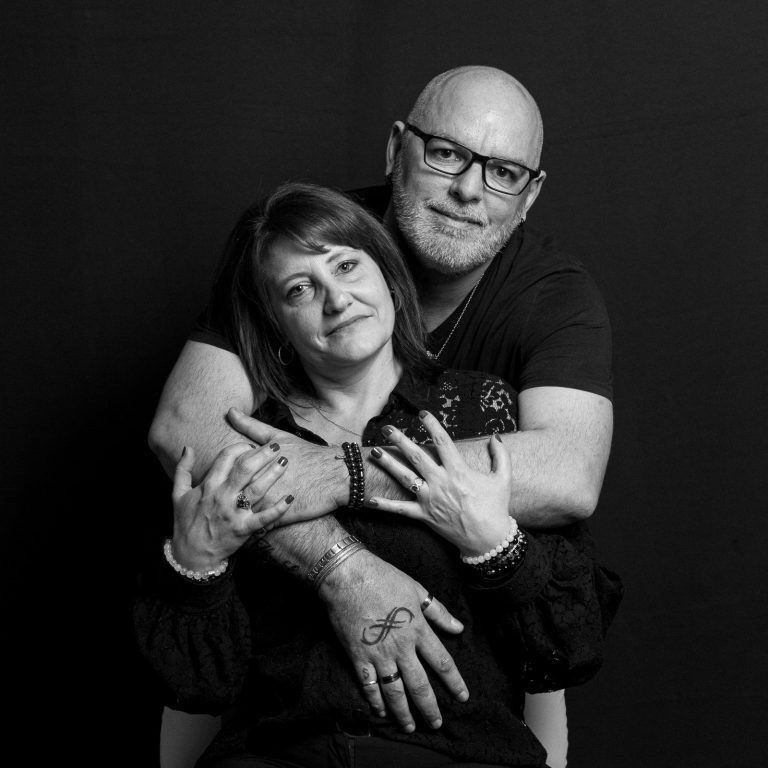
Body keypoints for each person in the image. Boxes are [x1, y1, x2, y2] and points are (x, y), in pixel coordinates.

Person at [147, 65, 615, 745]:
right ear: (398, 148)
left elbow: (568, 474)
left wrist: (342, 470)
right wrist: (344, 571)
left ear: (530, 191)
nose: (467, 192)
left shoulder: (536, 318)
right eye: (447, 154)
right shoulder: (303, 240)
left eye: (503, 172)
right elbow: (185, 434)